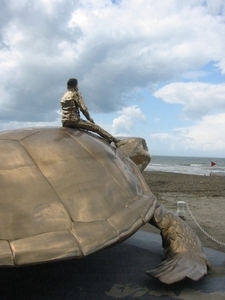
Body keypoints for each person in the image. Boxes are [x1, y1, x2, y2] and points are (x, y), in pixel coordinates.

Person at [60, 78, 124, 147]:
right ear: (75, 85)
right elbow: (83, 109)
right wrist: (89, 119)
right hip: (74, 121)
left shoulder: (64, 96)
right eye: (77, 85)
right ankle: (115, 141)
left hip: (65, 122)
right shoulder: (75, 94)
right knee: (96, 127)